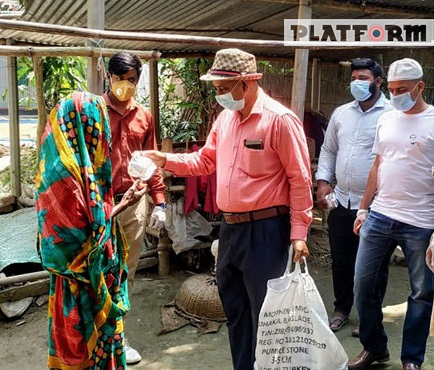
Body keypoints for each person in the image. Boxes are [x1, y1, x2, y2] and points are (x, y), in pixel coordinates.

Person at [142, 48, 313, 370]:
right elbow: (205, 161)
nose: (219, 96)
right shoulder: (225, 119)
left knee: (266, 314)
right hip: (231, 229)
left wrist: (299, 233)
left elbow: (300, 179)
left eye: (223, 89)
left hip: (267, 230)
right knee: (235, 309)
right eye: (216, 89)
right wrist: (164, 160)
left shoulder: (279, 120)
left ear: (246, 82)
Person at [36, 91, 146, 369]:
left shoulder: (62, 167)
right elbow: (85, 237)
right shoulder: (67, 178)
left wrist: (122, 203)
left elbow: (92, 224)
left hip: (75, 282)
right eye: (99, 124)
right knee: (84, 352)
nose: (104, 133)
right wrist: (122, 207)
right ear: (87, 125)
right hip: (80, 286)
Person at [350, 58, 434, 370]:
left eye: (403, 89)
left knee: (422, 293)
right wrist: (363, 208)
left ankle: (411, 359)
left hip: (421, 221)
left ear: (420, 87)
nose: (396, 94)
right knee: (363, 285)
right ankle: (374, 348)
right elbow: (377, 165)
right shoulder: (387, 118)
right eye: (394, 89)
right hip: (380, 215)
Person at [316, 58, 392, 335]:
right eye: (353, 79)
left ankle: (369, 317)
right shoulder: (340, 114)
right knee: (341, 259)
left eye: (363, 78)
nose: (357, 83)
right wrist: (323, 182)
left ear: (378, 82)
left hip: (376, 205)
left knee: (374, 264)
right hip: (342, 200)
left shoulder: (392, 114)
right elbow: (329, 150)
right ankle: (341, 310)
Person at [104, 52, 167, 363]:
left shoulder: (144, 116)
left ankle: (118, 337)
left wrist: (160, 202)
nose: (125, 86)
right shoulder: (93, 112)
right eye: (120, 79)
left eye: (132, 80)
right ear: (109, 77)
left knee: (125, 274)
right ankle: (94, 337)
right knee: (97, 272)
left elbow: (150, 161)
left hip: (134, 203)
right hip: (100, 205)